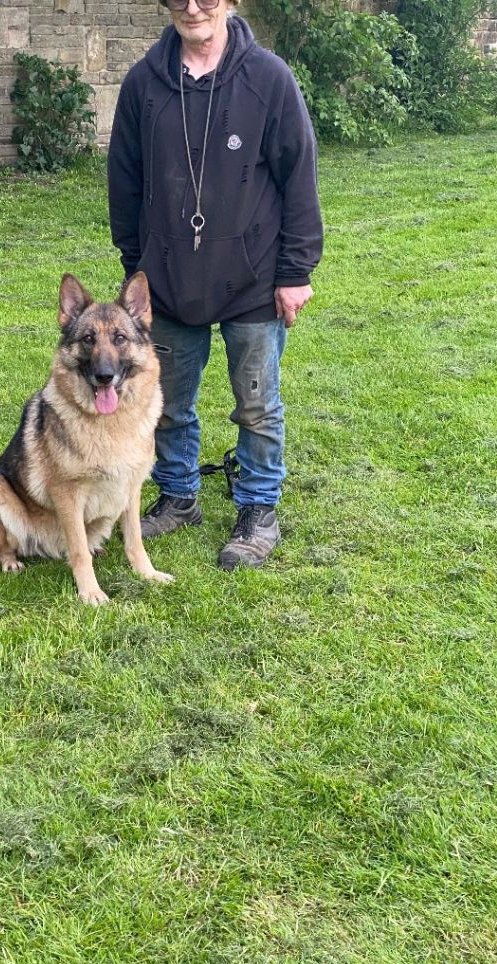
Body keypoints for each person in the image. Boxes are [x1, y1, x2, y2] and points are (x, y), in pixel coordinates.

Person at [107, 0, 323, 570]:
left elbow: (299, 173)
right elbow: (124, 180)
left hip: (254, 277)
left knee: (257, 405)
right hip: (169, 278)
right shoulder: (143, 84)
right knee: (166, 401)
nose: (192, 7)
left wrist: (295, 271)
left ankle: (258, 509)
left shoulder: (268, 79)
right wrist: (137, 262)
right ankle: (178, 495)